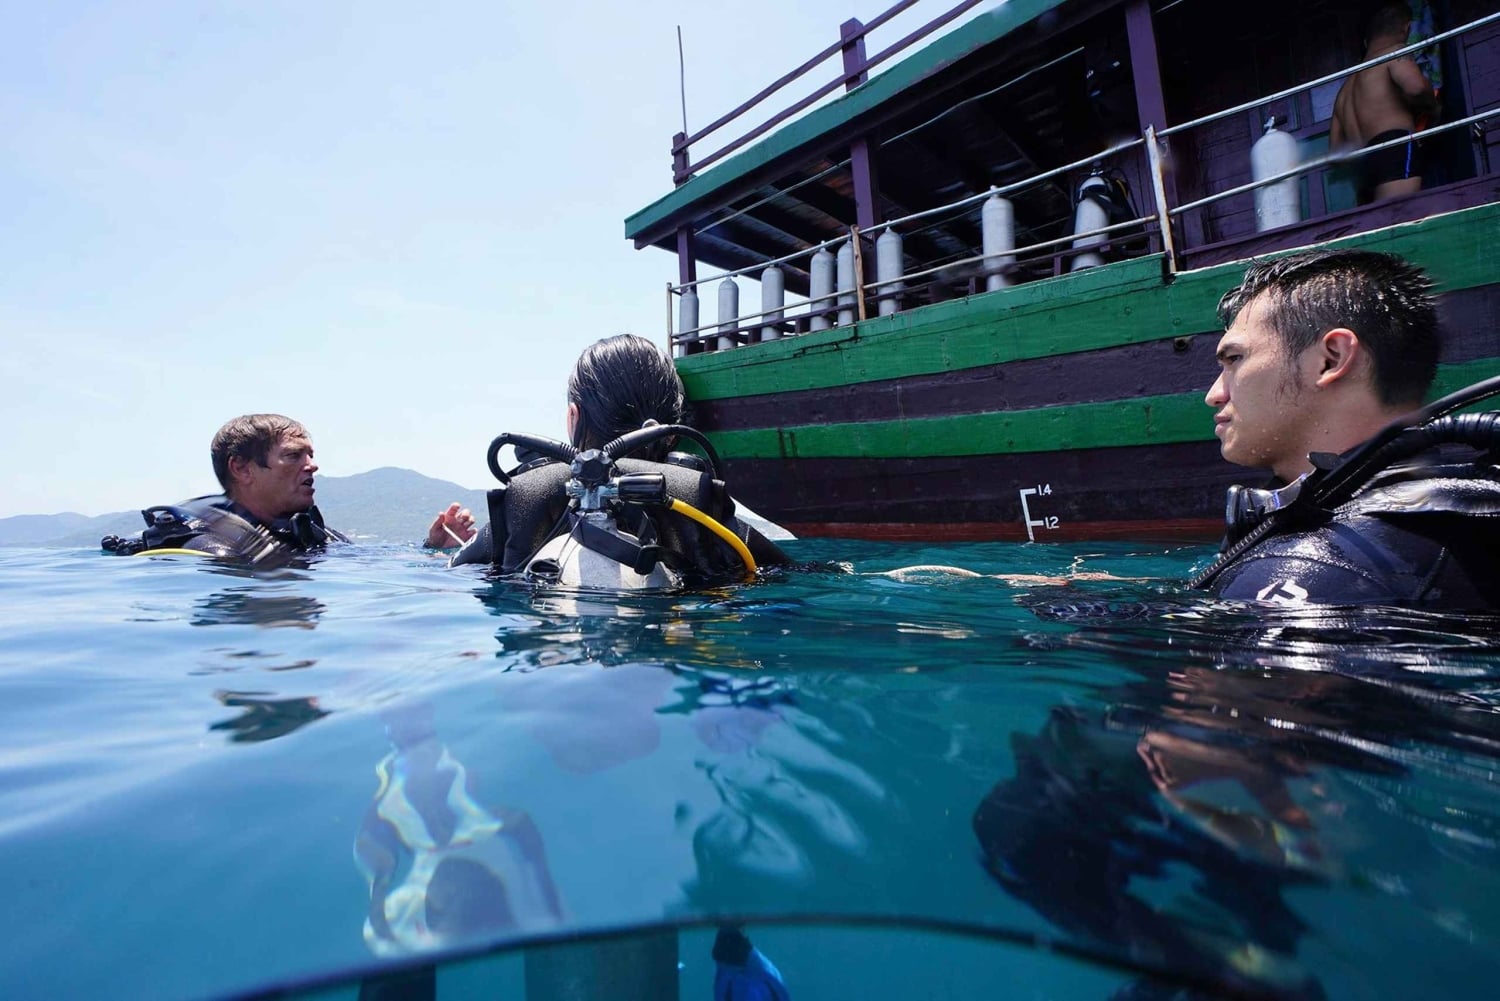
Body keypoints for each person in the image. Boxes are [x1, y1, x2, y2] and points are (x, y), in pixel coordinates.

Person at [1196, 248, 1500, 608]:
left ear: (1331, 359)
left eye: (1234, 359)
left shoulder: (1319, 572)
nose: (1214, 395)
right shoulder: (1454, 510)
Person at [428, 334, 791, 584]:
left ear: (573, 417)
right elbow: (806, 577)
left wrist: (435, 549)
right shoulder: (710, 519)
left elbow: (448, 575)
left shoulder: (526, 506)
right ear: (673, 431)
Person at [102, 413, 347, 559]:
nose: (312, 466)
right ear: (241, 469)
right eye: (294, 456)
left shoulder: (311, 532)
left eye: (310, 456)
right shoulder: (209, 547)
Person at [1330, 2, 1438, 203]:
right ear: (1405, 29)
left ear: (1366, 41)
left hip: (1362, 170)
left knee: (1379, 228)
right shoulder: (1395, 53)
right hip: (1393, 147)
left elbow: (1335, 153)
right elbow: (1415, 87)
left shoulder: (1344, 89)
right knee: (1402, 222)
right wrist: (1433, 106)